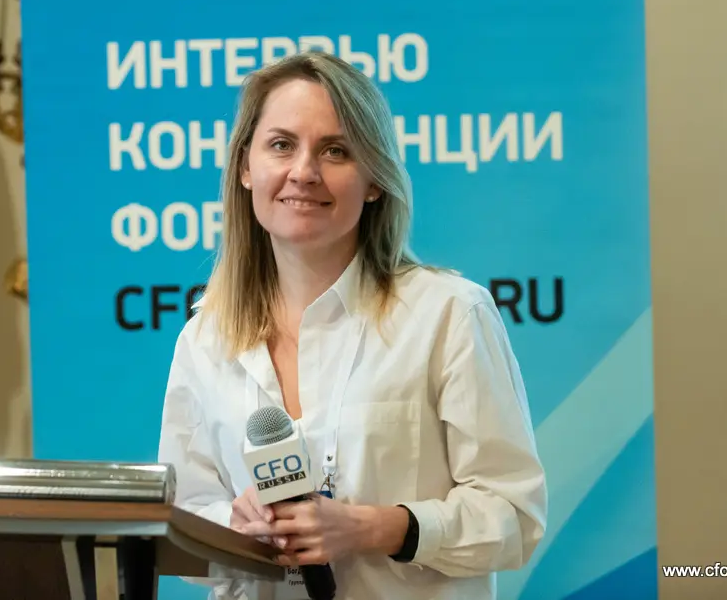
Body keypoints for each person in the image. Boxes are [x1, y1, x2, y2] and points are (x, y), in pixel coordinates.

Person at [157, 51, 547, 600]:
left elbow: (514, 516)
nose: (303, 172)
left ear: (374, 181)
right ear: (245, 168)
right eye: (281, 145)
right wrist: (233, 527)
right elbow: (184, 520)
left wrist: (371, 528)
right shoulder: (204, 339)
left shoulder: (448, 314)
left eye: (335, 150)